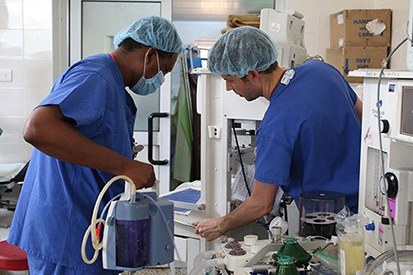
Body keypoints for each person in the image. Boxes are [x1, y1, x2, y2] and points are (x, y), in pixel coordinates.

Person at [8, 16, 182, 274]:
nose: (160, 80)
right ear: (150, 55)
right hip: (65, 230)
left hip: (85, 225)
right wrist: (126, 165)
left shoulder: (111, 82)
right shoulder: (96, 74)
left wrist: (121, 150)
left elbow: (83, 137)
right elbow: (38, 128)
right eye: (163, 71)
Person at [194, 26, 362, 241]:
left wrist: (219, 225)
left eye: (230, 80)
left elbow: (260, 204)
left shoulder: (275, 127)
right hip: (371, 209)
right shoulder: (323, 71)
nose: (228, 88)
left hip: (331, 224)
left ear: (253, 74)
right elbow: (365, 116)